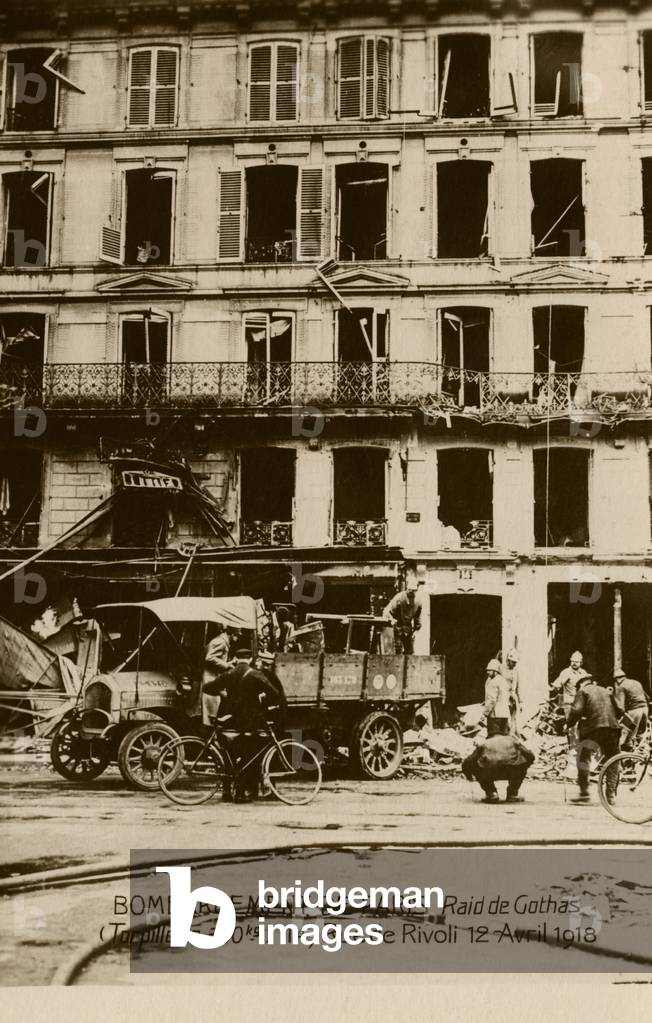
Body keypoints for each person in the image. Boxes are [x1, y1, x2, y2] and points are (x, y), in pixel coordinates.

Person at [202, 648, 286, 803]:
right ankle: (241, 792)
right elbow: (275, 694)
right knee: (251, 755)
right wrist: (262, 698)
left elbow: (207, 688)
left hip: (228, 719)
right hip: (248, 721)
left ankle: (227, 792)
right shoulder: (255, 674)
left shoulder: (229, 674)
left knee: (227, 755)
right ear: (250, 659)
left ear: (235, 658)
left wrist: (223, 694)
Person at [566, 673, 621, 804]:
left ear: (580, 684)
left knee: (583, 757)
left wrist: (568, 724)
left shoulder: (582, 691)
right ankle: (610, 795)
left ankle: (584, 794)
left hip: (594, 730)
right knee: (613, 759)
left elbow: (577, 710)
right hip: (613, 729)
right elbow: (620, 710)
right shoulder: (605, 690)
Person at [462, 732, 535, 804]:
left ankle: (491, 793)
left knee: (476, 764)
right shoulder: (512, 740)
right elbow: (530, 755)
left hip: (490, 772)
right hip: (512, 771)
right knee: (521, 764)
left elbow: (467, 762)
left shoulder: (485, 743)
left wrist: (469, 776)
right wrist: (525, 766)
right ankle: (512, 794)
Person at [613, 668, 649, 749]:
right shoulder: (636, 682)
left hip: (634, 711)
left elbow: (620, 706)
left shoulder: (621, 686)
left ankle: (629, 755)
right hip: (645, 708)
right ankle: (640, 753)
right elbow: (647, 697)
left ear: (616, 679)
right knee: (640, 734)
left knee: (628, 733)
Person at [383, 585, 422, 654]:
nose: (412, 594)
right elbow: (386, 612)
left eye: (414, 591)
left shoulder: (418, 602)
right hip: (396, 623)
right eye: (411, 591)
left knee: (409, 650)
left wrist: (417, 626)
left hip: (407, 626)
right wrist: (392, 620)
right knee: (397, 648)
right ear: (407, 590)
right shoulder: (399, 598)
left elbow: (417, 617)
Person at [550, 650, 585, 722]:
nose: (574, 663)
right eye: (573, 661)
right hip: (569, 702)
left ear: (581, 663)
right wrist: (553, 688)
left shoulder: (583, 672)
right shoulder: (566, 672)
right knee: (570, 722)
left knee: (580, 722)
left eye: (576, 662)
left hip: (581, 702)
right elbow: (558, 683)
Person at [482, 658, 512, 737]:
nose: (487, 672)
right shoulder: (503, 680)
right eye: (487, 670)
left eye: (490, 670)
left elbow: (492, 700)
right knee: (504, 738)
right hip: (504, 714)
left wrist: (485, 713)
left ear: (495, 671)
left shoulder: (493, 682)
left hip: (495, 716)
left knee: (494, 738)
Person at [503, 649, 522, 732]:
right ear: (508, 660)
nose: (514, 664)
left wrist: (521, 702)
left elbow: (518, 687)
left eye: (515, 662)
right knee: (504, 719)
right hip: (504, 698)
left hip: (513, 699)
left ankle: (512, 736)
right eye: (513, 662)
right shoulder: (501, 670)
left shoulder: (516, 671)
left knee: (513, 719)